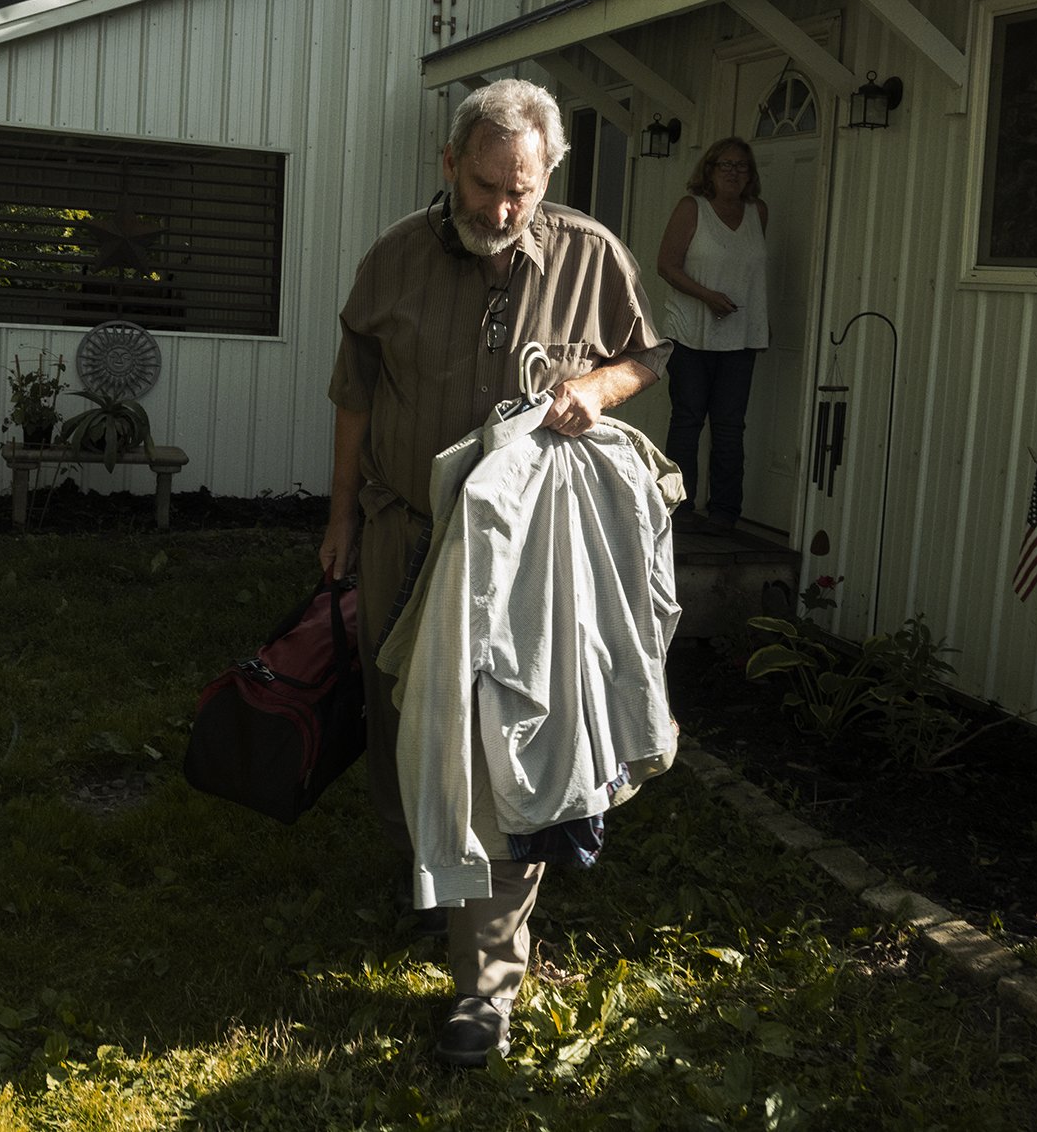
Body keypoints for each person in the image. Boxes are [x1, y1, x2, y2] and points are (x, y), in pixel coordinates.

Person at [319, 78, 670, 1066]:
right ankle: (427, 865)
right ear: (448, 166)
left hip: (515, 561)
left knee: (496, 752)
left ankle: (487, 992)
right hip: (403, 532)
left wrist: (593, 389)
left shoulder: (589, 255)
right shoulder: (391, 260)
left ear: (546, 174)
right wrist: (340, 518)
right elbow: (353, 397)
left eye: (520, 191)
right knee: (400, 720)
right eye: (484, 187)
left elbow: (641, 356)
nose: (501, 210)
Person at [655, 136, 769, 530]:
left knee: (730, 426)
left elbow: (748, 271)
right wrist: (707, 296)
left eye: (742, 167)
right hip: (690, 333)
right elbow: (666, 265)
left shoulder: (758, 213)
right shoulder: (693, 209)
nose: (734, 173)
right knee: (687, 420)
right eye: (726, 165)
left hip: (740, 337)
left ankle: (724, 514)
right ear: (710, 170)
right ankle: (680, 511)